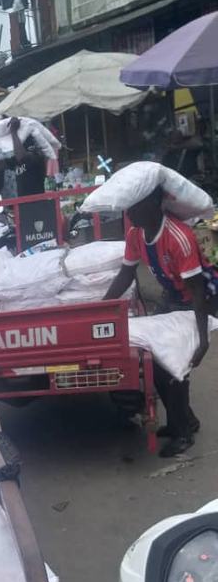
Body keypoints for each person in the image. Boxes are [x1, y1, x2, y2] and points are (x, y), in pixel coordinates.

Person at [103, 183, 216, 457]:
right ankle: (184, 421)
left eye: (134, 206)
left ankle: (183, 433)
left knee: (177, 367)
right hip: (172, 298)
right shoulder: (136, 233)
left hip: (195, 304)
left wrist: (202, 340)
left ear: (153, 204)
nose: (129, 212)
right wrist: (101, 309)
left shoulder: (178, 237)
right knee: (156, 361)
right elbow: (126, 274)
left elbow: (197, 291)